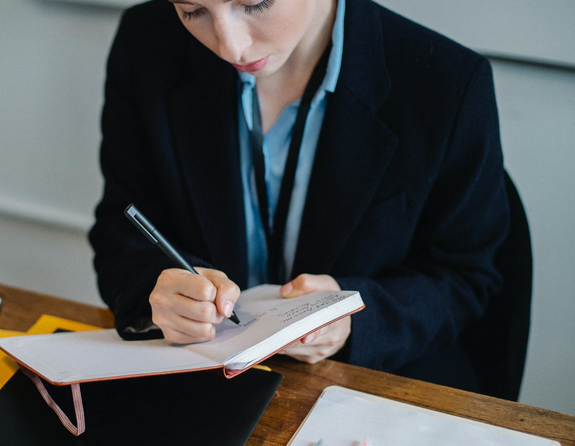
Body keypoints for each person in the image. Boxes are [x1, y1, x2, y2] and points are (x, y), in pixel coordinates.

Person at [88, 0, 509, 391]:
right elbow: (120, 227)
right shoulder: (145, 42)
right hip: (206, 385)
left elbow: (465, 276)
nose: (231, 46)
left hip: (369, 388)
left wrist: (356, 321)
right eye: (193, 10)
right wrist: (159, 291)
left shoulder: (446, 82)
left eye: (254, 3)